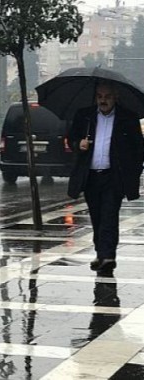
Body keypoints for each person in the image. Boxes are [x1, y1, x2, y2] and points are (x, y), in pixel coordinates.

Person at [67, 81, 144, 274]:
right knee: (97, 216)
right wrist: (79, 144)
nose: (103, 100)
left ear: (115, 97)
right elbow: (71, 139)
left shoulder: (127, 118)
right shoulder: (85, 116)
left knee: (109, 215)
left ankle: (108, 255)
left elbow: (138, 149)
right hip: (91, 176)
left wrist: (133, 172)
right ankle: (101, 253)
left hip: (113, 177)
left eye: (107, 96)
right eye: (100, 96)